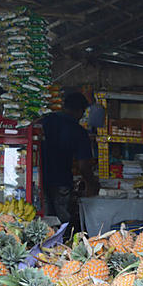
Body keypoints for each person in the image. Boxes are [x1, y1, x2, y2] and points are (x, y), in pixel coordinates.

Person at [39, 92, 98, 225]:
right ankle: (62, 243)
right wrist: (92, 184)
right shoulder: (78, 131)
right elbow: (84, 166)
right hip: (61, 181)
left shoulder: (46, 120)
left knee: (44, 221)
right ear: (80, 111)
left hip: (39, 179)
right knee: (62, 222)